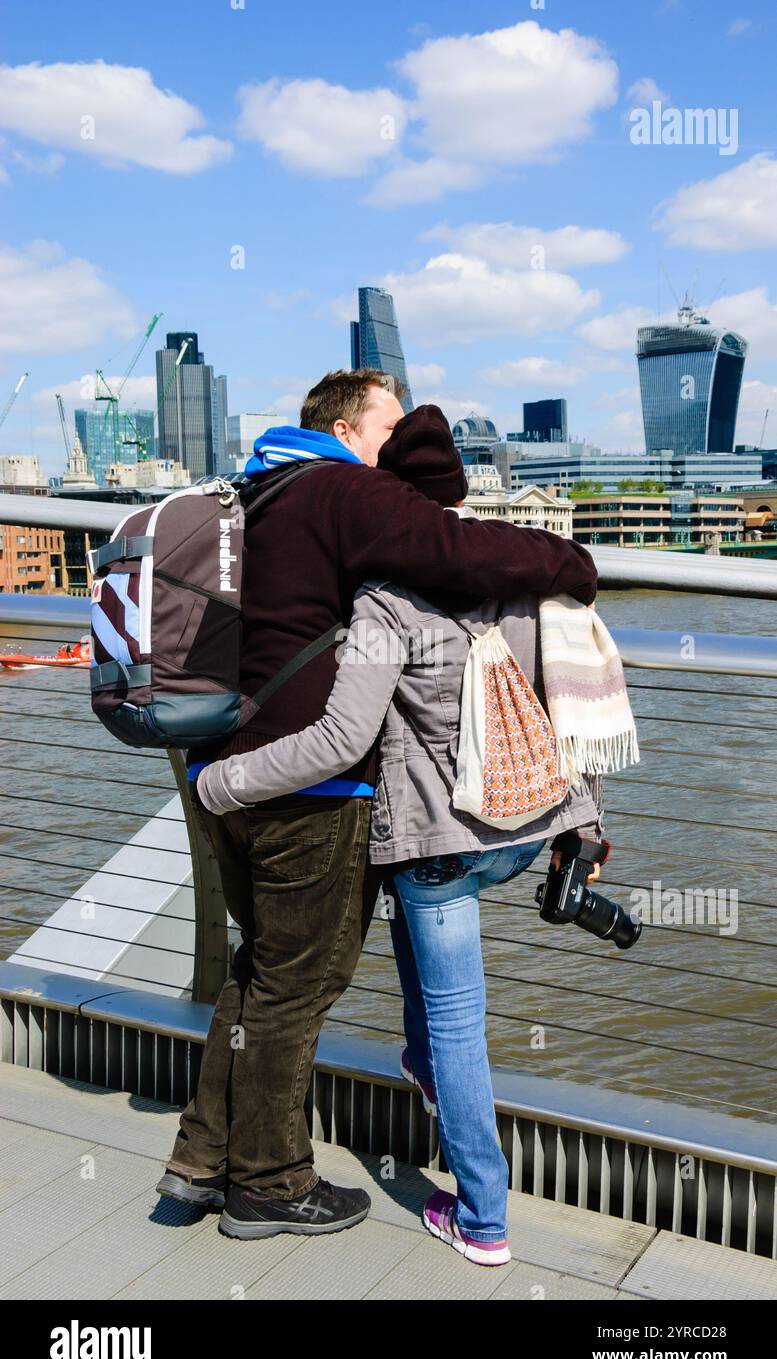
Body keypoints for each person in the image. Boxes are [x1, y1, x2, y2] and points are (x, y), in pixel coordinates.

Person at [157, 376, 597, 1242]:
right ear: (343, 427)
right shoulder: (343, 489)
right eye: (385, 425)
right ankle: (272, 1187)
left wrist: (214, 782)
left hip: (228, 762)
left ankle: (200, 1164)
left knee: (260, 973)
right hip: (307, 789)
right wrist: (571, 565)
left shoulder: (256, 489)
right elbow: (461, 550)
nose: (392, 445)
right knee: (298, 986)